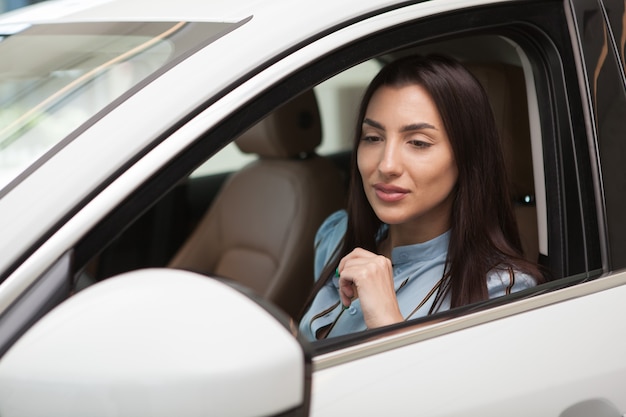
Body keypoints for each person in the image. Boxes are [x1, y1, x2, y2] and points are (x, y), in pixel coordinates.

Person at [298, 54, 544, 341]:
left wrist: (387, 321)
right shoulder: (336, 236)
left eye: (418, 143)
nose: (386, 165)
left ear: (467, 157)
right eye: (373, 138)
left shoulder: (502, 289)